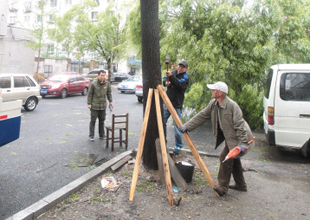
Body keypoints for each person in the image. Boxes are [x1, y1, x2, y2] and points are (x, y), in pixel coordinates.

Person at [179, 81, 254, 196]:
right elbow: (202, 115)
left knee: (225, 157)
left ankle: (222, 187)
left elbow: (240, 126)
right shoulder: (213, 104)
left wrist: (243, 143)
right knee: (234, 158)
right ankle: (241, 185)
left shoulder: (233, 106)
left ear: (220, 93)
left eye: (214, 90)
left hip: (240, 137)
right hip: (230, 137)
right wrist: (187, 126)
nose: (212, 91)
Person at [163, 60, 189, 154]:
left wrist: (171, 77)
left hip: (176, 104)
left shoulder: (185, 77)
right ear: (177, 66)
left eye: (183, 66)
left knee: (178, 126)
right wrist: (166, 82)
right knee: (162, 121)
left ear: (186, 69)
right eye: (179, 65)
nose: (180, 67)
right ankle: (163, 141)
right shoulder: (172, 73)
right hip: (167, 102)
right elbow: (164, 79)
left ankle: (178, 145)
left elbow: (179, 85)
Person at [87, 70, 113, 141]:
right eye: (101, 75)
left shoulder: (107, 84)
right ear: (98, 76)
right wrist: (89, 103)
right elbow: (89, 94)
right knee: (93, 121)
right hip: (94, 106)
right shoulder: (93, 84)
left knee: (102, 121)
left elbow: (109, 93)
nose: (102, 77)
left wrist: (110, 101)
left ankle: (102, 134)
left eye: (104, 75)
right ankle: (91, 135)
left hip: (103, 106)